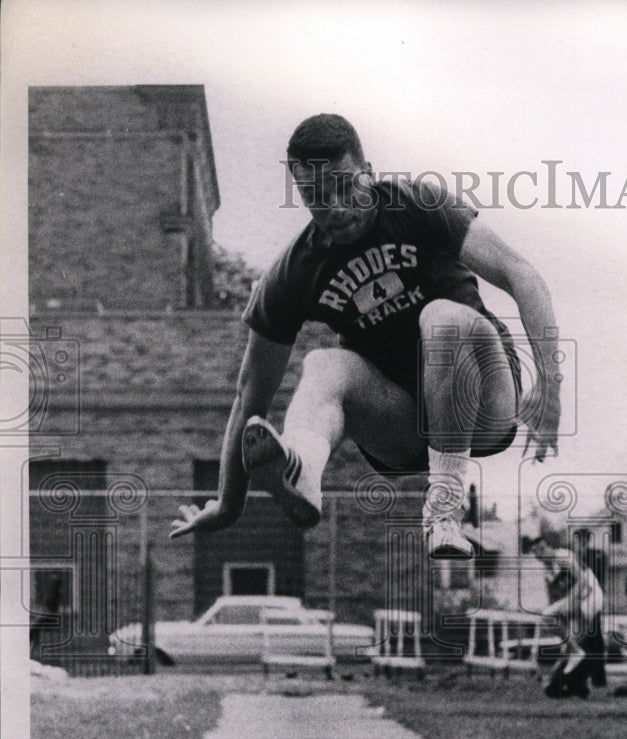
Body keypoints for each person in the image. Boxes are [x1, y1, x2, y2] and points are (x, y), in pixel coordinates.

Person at [170, 114, 560, 557]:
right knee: (322, 364)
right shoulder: (294, 272)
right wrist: (228, 505)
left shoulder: (416, 204)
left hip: (484, 402)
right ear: (300, 195)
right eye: (317, 197)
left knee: (442, 318)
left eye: (345, 186)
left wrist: (550, 390)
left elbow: (521, 274)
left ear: (369, 174)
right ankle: (303, 472)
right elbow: (250, 395)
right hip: (403, 426)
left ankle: (444, 508)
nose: (335, 207)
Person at [529, 534, 604, 698]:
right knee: (550, 620)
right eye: (536, 552)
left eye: (542, 549)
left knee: (577, 640)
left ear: (550, 547)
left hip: (590, 596)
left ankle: (569, 682)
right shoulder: (547, 573)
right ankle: (577, 686)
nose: (540, 554)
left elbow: (583, 582)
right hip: (576, 601)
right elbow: (554, 599)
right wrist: (563, 619)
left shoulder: (562, 556)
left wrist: (571, 605)